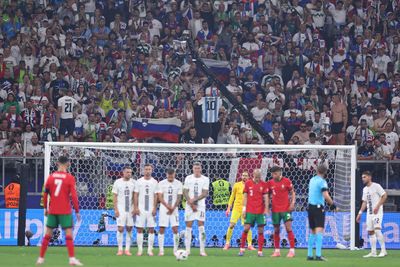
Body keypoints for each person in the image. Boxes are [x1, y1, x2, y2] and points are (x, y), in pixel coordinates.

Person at [36, 156, 82, 266]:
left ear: (57, 163)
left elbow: (45, 193)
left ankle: (41, 258)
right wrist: (77, 210)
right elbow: (74, 196)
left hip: (52, 210)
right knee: (68, 235)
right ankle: (71, 259)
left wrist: (45, 208)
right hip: (65, 211)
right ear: (68, 164)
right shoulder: (69, 178)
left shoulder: (51, 177)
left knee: (47, 235)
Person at [307, 164, 336, 261]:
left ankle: (310, 255)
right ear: (325, 172)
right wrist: (333, 205)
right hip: (318, 208)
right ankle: (318, 255)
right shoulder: (322, 182)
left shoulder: (312, 180)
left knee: (312, 231)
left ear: (316, 171)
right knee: (319, 231)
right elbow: (325, 195)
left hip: (310, 208)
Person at [356, 171, 387, 258]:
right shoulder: (365, 189)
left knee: (377, 230)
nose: (363, 179)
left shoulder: (376, 186)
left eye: (364, 177)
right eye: (362, 177)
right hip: (369, 213)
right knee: (370, 232)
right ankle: (373, 252)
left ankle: (383, 251)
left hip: (377, 212)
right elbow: (364, 202)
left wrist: (377, 206)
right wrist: (360, 213)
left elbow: (384, 195)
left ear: (370, 177)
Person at [266, 166, 296, 258]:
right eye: (272, 174)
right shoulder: (270, 183)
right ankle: (277, 251)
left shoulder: (287, 181)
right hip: (275, 210)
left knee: (288, 228)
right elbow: (267, 195)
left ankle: (292, 250)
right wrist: (267, 207)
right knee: (276, 230)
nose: (273, 175)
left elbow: (293, 193)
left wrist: (292, 203)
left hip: (286, 209)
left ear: (279, 172)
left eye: (275, 173)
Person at [238, 169, 268, 257]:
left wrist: (266, 208)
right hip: (250, 211)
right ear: (253, 175)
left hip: (260, 211)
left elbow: (266, 197)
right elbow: (245, 197)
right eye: (256, 177)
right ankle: (242, 249)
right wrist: (244, 209)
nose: (257, 179)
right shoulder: (248, 183)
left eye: (259, 177)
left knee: (261, 231)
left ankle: (260, 251)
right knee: (246, 229)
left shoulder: (264, 184)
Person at [183, 162, 210, 256]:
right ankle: (187, 250)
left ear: (201, 169)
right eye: (195, 168)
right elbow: (185, 191)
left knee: (201, 228)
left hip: (201, 206)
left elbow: (204, 193)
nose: (197, 170)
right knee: (188, 227)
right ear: (193, 169)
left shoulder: (205, 179)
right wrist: (191, 203)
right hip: (189, 206)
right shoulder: (188, 178)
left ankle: (202, 251)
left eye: (198, 168)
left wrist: (194, 200)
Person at [224, 171, 255, 250]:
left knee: (247, 227)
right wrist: (228, 208)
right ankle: (227, 243)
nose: (244, 177)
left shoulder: (251, 185)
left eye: (246, 176)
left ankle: (249, 245)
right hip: (236, 208)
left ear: (248, 177)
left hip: (246, 209)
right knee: (231, 225)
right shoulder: (236, 185)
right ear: (241, 176)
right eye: (243, 175)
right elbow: (232, 197)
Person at [133, 164, 159, 256]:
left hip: (151, 209)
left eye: (149, 169)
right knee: (139, 229)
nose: (148, 171)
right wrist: (136, 207)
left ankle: (149, 250)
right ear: (143, 170)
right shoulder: (139, 181)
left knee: (151, 229)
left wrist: (155, 207)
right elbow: (135, 195)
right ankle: (140, 250)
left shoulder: (155, 182)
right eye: (146, 169)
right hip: (141, 209)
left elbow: (156, 195)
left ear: (152, 170)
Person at [157, 168, 183, 256]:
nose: (170, 176)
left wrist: (173, 207)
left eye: (172, 175)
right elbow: (160, 197)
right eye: (169, 174)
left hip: (174, 209)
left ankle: (175, 250)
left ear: (174, 174)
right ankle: (161, 250)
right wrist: (168, 207)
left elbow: (179, 197)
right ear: (166, 174)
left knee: (175, 229)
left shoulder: (179, 183)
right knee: (161, 229)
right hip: (164, 209)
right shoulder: (161, 183)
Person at [112, 166, 136, 256]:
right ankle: (120, 249)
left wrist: (135, 208)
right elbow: (114, 196)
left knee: (129, 228)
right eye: (127, 172)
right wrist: (116, 209)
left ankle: (127, 249)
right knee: (120, 228)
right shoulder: (117, 182)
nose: (129, 174)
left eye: (130, 172)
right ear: (123, 172)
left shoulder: (134, 182)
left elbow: (135, 196)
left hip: (130, 209)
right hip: (121, 208)